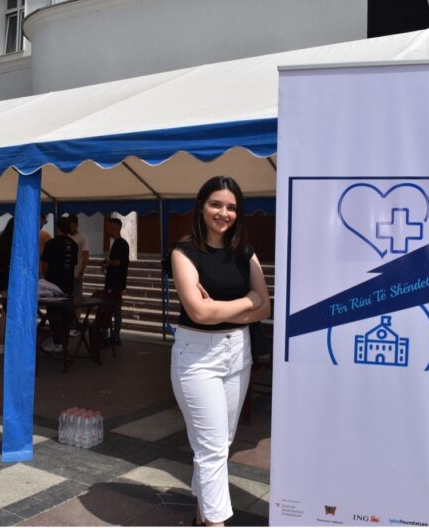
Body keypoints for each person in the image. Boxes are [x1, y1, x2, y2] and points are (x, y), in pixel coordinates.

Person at [169, 176, 271, 527]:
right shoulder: (184, 252)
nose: (223, 213)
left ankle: (202, 514)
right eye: (216, 204)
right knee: (212, 448)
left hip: (237, 350)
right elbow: (199, 312)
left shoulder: (245, 252)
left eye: (231, 207)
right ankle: (216, 523)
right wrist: (246, 302)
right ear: (201, 205)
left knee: (219, 443)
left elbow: (265, 307)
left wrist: (223, 308)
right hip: (197, 356)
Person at [99, 217, 129, 345]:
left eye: (108, 227)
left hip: (115, 283)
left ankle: (111, 336)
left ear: (114, 228)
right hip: (115, 281)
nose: (106, 230)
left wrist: (107, 263)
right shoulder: (118, 243)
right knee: (113, 309)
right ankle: (112, 336)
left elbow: (118, 262)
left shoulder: (120, 244)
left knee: (111, 309)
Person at [41, 216, 79, 297]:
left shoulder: (51, 243)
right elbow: (74, 264)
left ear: (57, 228)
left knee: (53, 308)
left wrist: (46, 277)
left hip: (52, 283)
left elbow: (44, 264)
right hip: (68, 283)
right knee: (66, 307)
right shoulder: (74, 244)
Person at [0, 218, 14, 355]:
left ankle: (2, 343)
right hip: (17, 280)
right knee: (10, 313)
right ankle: (6, 343)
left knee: (6, 312)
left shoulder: (0, 242)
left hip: (5, 280)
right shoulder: (19, 243)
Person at [68, 214, 90, 298]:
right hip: (68, 273)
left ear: (76, 225)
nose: (70, 228)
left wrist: (81, 272)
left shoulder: (82, 238)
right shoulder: (67, 236)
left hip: (77, 273)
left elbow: (86, 256)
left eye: (72, 225)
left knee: (77, 298)